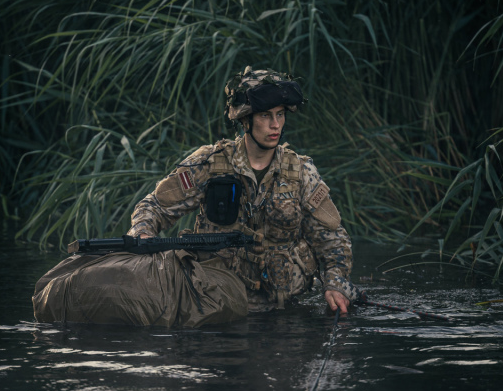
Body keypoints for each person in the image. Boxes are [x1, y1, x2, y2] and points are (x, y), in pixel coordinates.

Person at [126, 66, 358, 314]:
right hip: (215, 304)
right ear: (245, 120)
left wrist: (335, 284)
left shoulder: (300, 171)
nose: (275, 125)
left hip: (283, 308)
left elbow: (332, 239)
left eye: (280, 115)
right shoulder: (210, 163)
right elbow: (154, 207)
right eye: (265, 116)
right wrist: (143, 233)